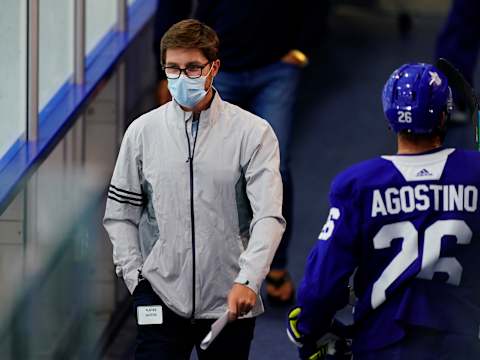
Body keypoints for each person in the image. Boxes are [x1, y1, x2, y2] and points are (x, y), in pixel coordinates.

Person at [104, 19, 285, 359]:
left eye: (192, 68)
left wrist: (249, 279)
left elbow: (268, 217)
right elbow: (120, 215)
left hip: (228, 299)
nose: (181, 77)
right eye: (172, 68)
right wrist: (136, 280)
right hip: (159, 295)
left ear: (213, 67)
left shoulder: (253, 133)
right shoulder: (142, 133)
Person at [287, 63, 480, 359]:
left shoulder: (358, 184)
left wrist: (310, 327)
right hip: (462, 342)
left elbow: (321, 286)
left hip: (383, 342)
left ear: (389, 116)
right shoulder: (475, 173)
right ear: (444, 115)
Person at [153, 0, 330, 304]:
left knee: (275, 169)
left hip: (276, 68)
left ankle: (275, 265)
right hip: (211, 72)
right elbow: (172, 6)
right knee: (203, 169)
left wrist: (303, 49)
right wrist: (166, 74)